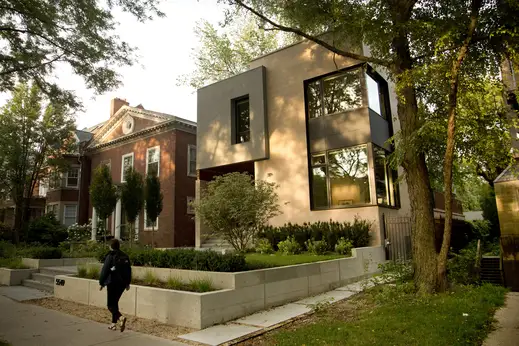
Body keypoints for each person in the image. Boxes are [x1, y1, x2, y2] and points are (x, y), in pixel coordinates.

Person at [99, 239, 132, 332]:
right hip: (122, 284)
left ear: (111, 246)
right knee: (115, 303)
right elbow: (129, 270)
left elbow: (105, 270)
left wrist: (101, 283)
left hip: (112, 282)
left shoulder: (110, 256)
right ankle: (113, 324)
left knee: (110, 305)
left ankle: (120, 317)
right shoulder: (125, 256)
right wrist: (127, 283)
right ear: (119, 246)